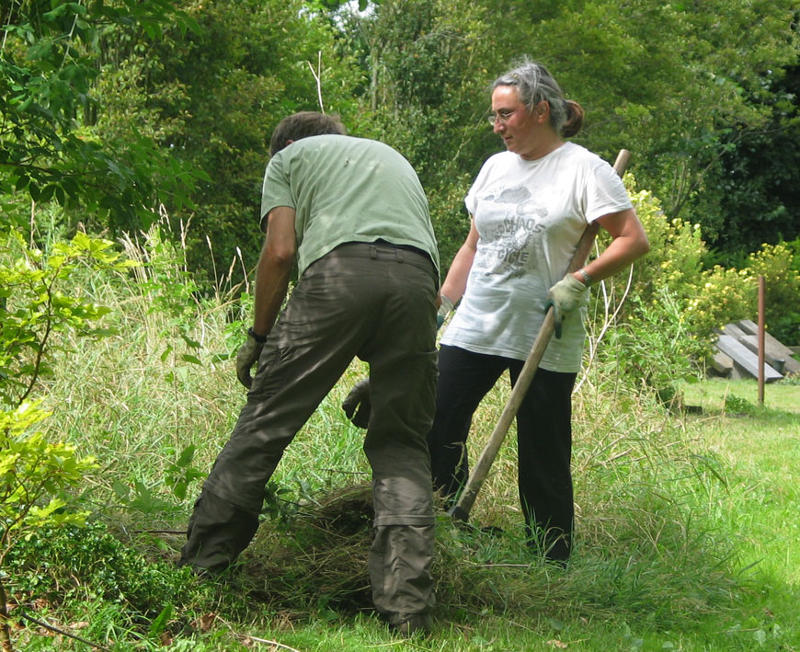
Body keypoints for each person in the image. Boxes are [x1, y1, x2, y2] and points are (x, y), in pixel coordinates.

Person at [179, 111, 442, 636]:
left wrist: (258, 337)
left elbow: (280, 251)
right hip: (419, 289)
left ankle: (198, 577)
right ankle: (407, 612)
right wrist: (389, 367)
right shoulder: (393, 158)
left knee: (264, 426)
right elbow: (408, 264)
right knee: (402, 445)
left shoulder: (290, 158)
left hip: (337, 278)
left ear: (289, 145)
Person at [427, 59, 650, 563]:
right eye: (494, 116)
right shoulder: (494, 168)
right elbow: (471, 246)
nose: (497, 125)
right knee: (438, 424)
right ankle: (438, 529)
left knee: (543, 449)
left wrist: (579, 279)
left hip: (545, 329)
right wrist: (443, 302)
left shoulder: (585, 170)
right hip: (477, 323)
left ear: (539, 110)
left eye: (505, 114)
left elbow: (633, 240)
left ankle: (549, 558)